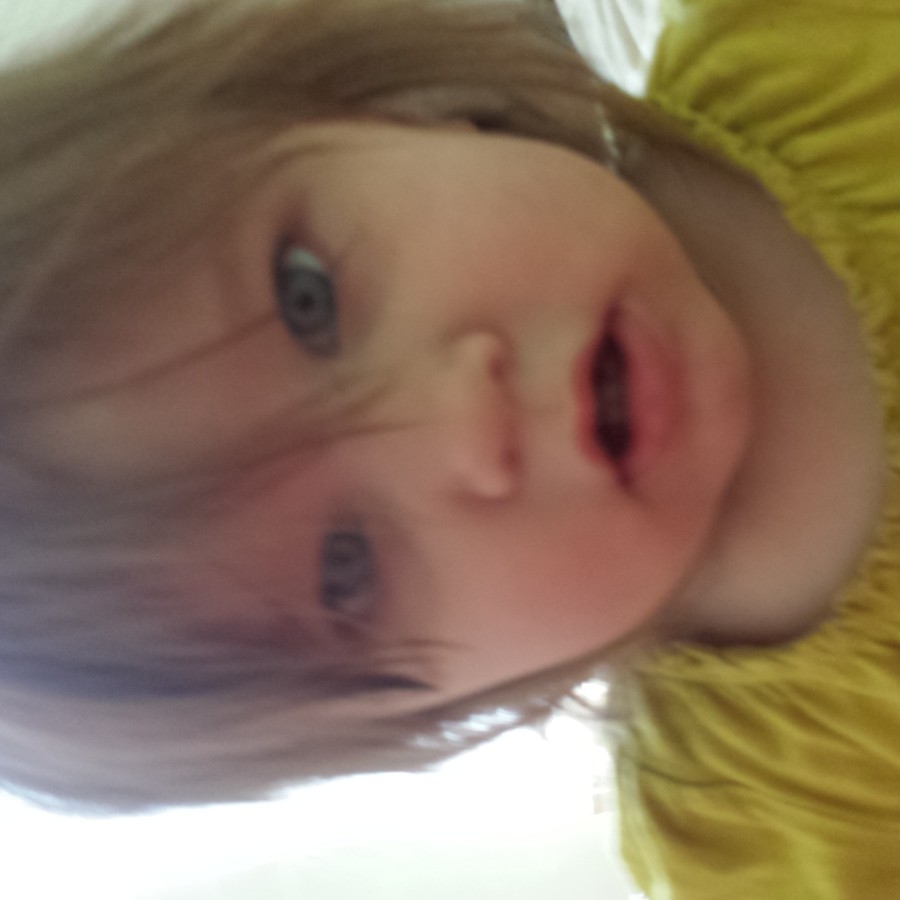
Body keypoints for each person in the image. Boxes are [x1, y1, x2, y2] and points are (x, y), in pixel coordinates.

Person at [0, 0, 895, 896]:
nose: (469, 419)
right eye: (346, 567)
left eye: (309, 299)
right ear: (436, 708)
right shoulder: (761, 846)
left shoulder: (800, 24)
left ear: (373, 110)